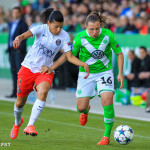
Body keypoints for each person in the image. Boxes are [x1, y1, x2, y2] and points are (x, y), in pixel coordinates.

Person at [10, 8, 89, 140]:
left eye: (61, 27)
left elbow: (69, 56)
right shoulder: (41, 28)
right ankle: (17, 123)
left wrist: (83, 64)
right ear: (48, 23)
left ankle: (30, 125)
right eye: (56, 26)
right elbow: (25, 35)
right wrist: (19, 37)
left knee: (44, 91)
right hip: (28, 68)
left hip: (44, 70)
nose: (58, 29)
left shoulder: (64, 36)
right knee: (19, 103)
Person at [48, 11, 124, 145]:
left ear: (100, 26)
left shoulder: (108, 35)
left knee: (107, 99)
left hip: (105, 72)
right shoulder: (80, 38)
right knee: (81, 107)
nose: (94, 32)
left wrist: (120, 73)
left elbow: (119, 54)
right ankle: (85, 110)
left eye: (97, 29)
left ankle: (106, 136)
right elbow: (69, 56)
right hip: (86, 74)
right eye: (91, 29)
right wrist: (52, 67)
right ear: (85, 27)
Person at [6, 6, 28, 98]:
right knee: (13, 71)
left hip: (18, 52)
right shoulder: (11, 24)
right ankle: (14, 91)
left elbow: (24, 38)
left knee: (19, 72)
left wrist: (19, 49)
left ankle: (20, 92)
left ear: (19, 13)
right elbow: (10, 37)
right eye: (13, 12)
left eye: (16, 12)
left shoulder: (23, 24)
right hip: (11, 51)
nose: (15, 14)